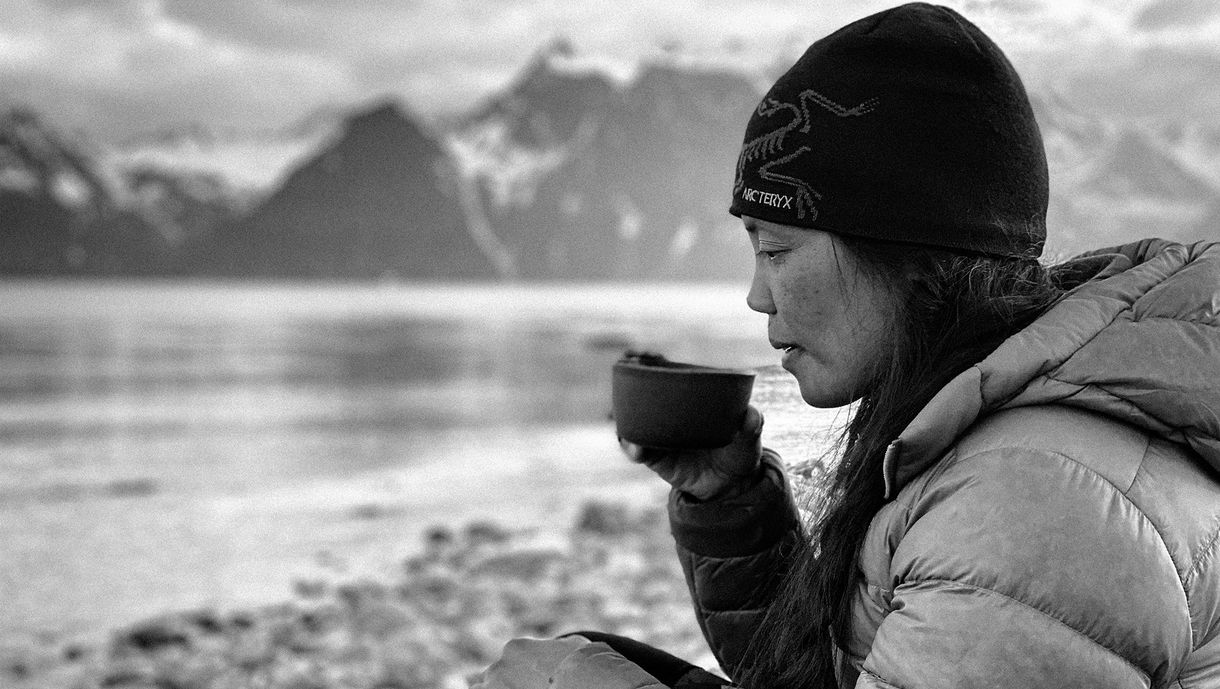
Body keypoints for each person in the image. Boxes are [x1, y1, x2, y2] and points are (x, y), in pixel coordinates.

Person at [472, 3, 1220, 688]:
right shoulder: (999, 437)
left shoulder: (1035, 503)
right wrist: (730, 504)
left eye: (776, 249)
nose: (758, 296)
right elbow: (867, 666)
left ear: (900, 249)